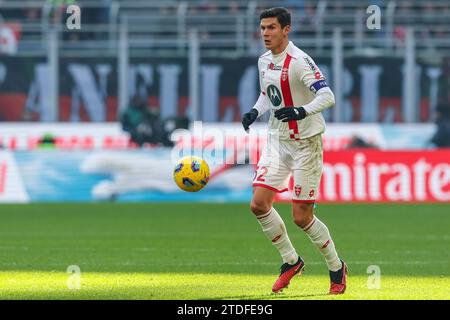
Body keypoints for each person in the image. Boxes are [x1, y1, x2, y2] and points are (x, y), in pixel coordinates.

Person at [241, 7, 347, 295]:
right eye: (263, 28)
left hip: (306, 144)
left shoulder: (300, 61)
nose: (265, 33)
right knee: (258, 204)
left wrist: (301, 110)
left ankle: (336, 266)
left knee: (301, 217)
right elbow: (268, 94)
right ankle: (291, 261)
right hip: (277, 141)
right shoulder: (264, 61)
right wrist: (254, 111)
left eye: (272, 28)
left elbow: (327, 96)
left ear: (286, 29)